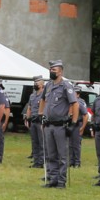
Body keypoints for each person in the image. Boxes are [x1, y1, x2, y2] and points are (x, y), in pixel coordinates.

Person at [41, 59, 79, 188]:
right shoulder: (48, 85)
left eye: (54, 70)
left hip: (60, 125)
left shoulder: (66, 86)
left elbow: (74, 104)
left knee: (62, 155)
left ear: (60, 71)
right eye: (51, 69)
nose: (52, 71)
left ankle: (61, 181)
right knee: (51, 154)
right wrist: (42, 115)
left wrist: (73, 123)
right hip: (49, 124)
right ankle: (53, 179)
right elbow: (43, 100)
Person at [25, 76, 46, 167]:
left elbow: (46, 108)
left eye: (37, 83)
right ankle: (36, 161)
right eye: (34, 83)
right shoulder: (32, 95)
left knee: (41, 142)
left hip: (40, 121)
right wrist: (27, 118)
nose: (35, 85)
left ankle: (41, 161)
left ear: (42, 85)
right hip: (33, 121)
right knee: (34, 141)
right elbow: (29, 108)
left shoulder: (44, 95)